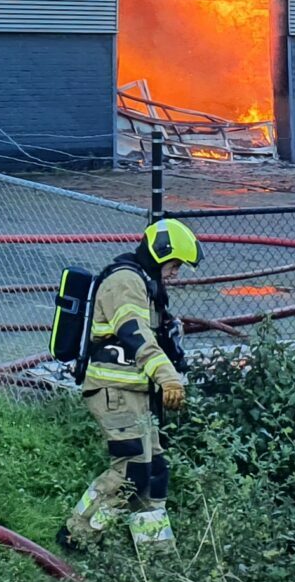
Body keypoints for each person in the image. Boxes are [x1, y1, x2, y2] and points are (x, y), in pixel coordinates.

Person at [60, 216, 200, 554]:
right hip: (114, 393)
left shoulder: (145, 285)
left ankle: (156, 555)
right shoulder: (125, 282)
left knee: (154, 473)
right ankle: (77, 536)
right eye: (175, 264)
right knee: (131, 473)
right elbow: (134, 334)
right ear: (160, 253)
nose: (176, 272)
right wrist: (167, 377)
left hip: (134, 395)